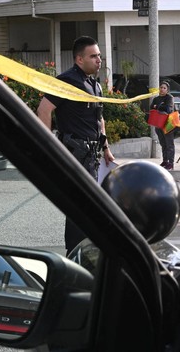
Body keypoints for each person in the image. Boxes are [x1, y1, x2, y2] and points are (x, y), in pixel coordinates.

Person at [36, 36, 115, 255]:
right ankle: (73, 255)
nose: (99, 59)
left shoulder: (95, 84)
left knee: (90, 206)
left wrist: (106, 147)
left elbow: (99, 120)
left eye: (99, 55)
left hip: (92, 155)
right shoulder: (67, 80)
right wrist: (48, 145)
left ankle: (87, 251)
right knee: (79, 206)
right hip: (74, 153)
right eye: (93, 56)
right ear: (79, 59)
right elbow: (44, 109)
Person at [151, 80, 175, 170]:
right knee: (163, 143)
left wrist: (157, 106)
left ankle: (171, 162)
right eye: (161, 87)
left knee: (169, 144)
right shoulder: (156, 99)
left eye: (164, 88)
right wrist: (159, 106)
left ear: (167, 90)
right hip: (158, 123)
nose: (162, 89)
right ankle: (165, 160)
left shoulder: (169, 98)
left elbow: (168, 109)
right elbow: (151, 107)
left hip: (168, 123)